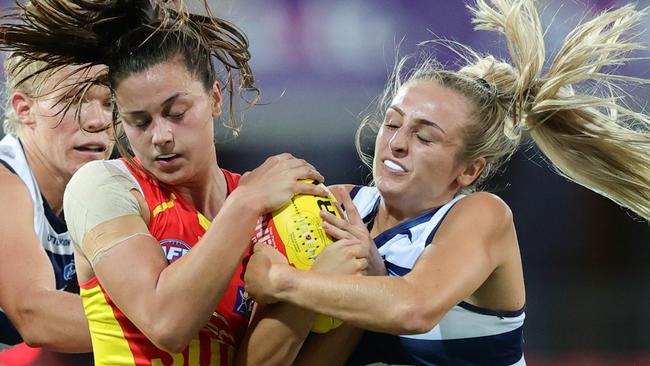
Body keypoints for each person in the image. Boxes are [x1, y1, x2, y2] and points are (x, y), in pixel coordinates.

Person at [243, 1, 650, 365]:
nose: (398, 144)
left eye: (424, 137)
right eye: (393, 124)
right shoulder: (339, 208)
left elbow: (415, 309)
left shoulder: (479, 216)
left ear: (469, 170)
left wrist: (284, 281)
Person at [0, 0, 338, 365]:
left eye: (176, 114)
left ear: (214, 98)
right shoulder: (95, 186)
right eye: (139, 122)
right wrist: (245, 208)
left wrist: (316, 292)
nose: (160, 135)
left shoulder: (272, 206)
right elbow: (163, 324)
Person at [0, 47, 113, 362]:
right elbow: (36, 316)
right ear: (25, 110)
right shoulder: (5, 186)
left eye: (109, 103)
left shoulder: (114, 190)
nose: (97, 120)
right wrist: (174, 320)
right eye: (73, 100)